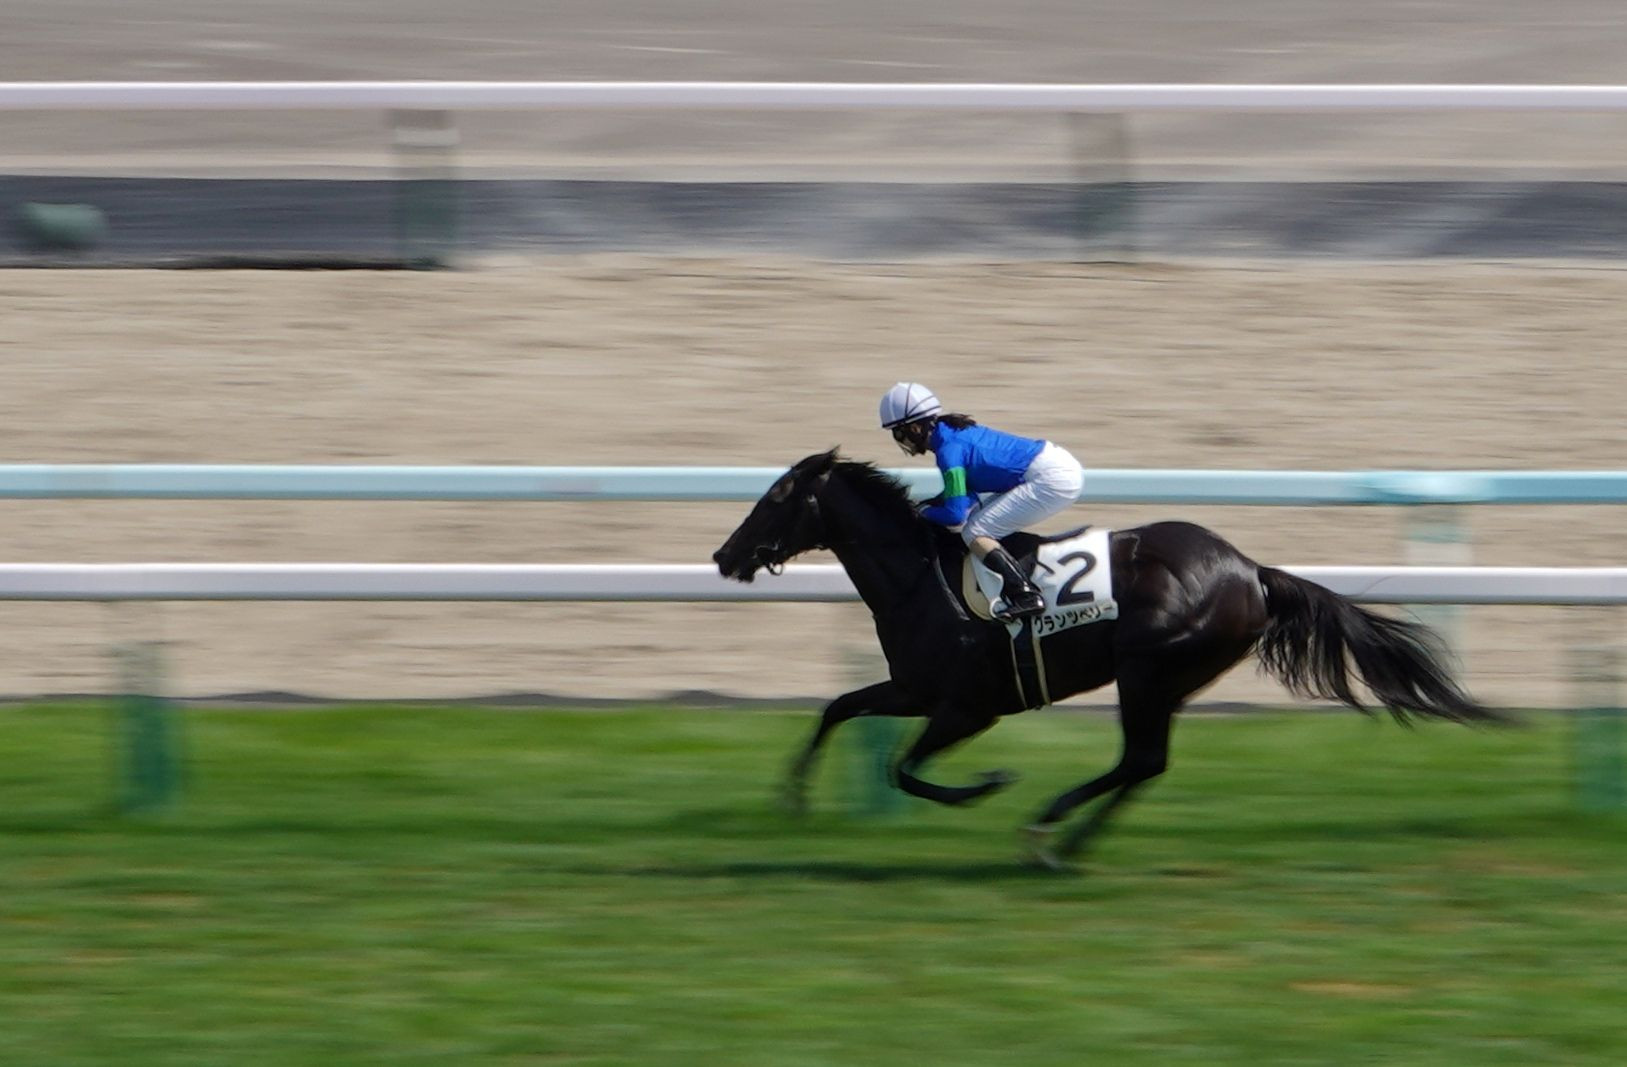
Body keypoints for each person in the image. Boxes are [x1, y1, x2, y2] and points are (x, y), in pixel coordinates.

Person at [878, 382, 1085, 622]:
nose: (900, 440)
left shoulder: (949, 452)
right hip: (1051, 466)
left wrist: (920, 512)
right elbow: (963, 496)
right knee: (979, 520)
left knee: (975, 531)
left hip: (1051, 478)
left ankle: (1025, 594)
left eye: (898, 433)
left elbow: (956, 516)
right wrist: (926, 505)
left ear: (915, 428)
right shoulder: (951, 432)